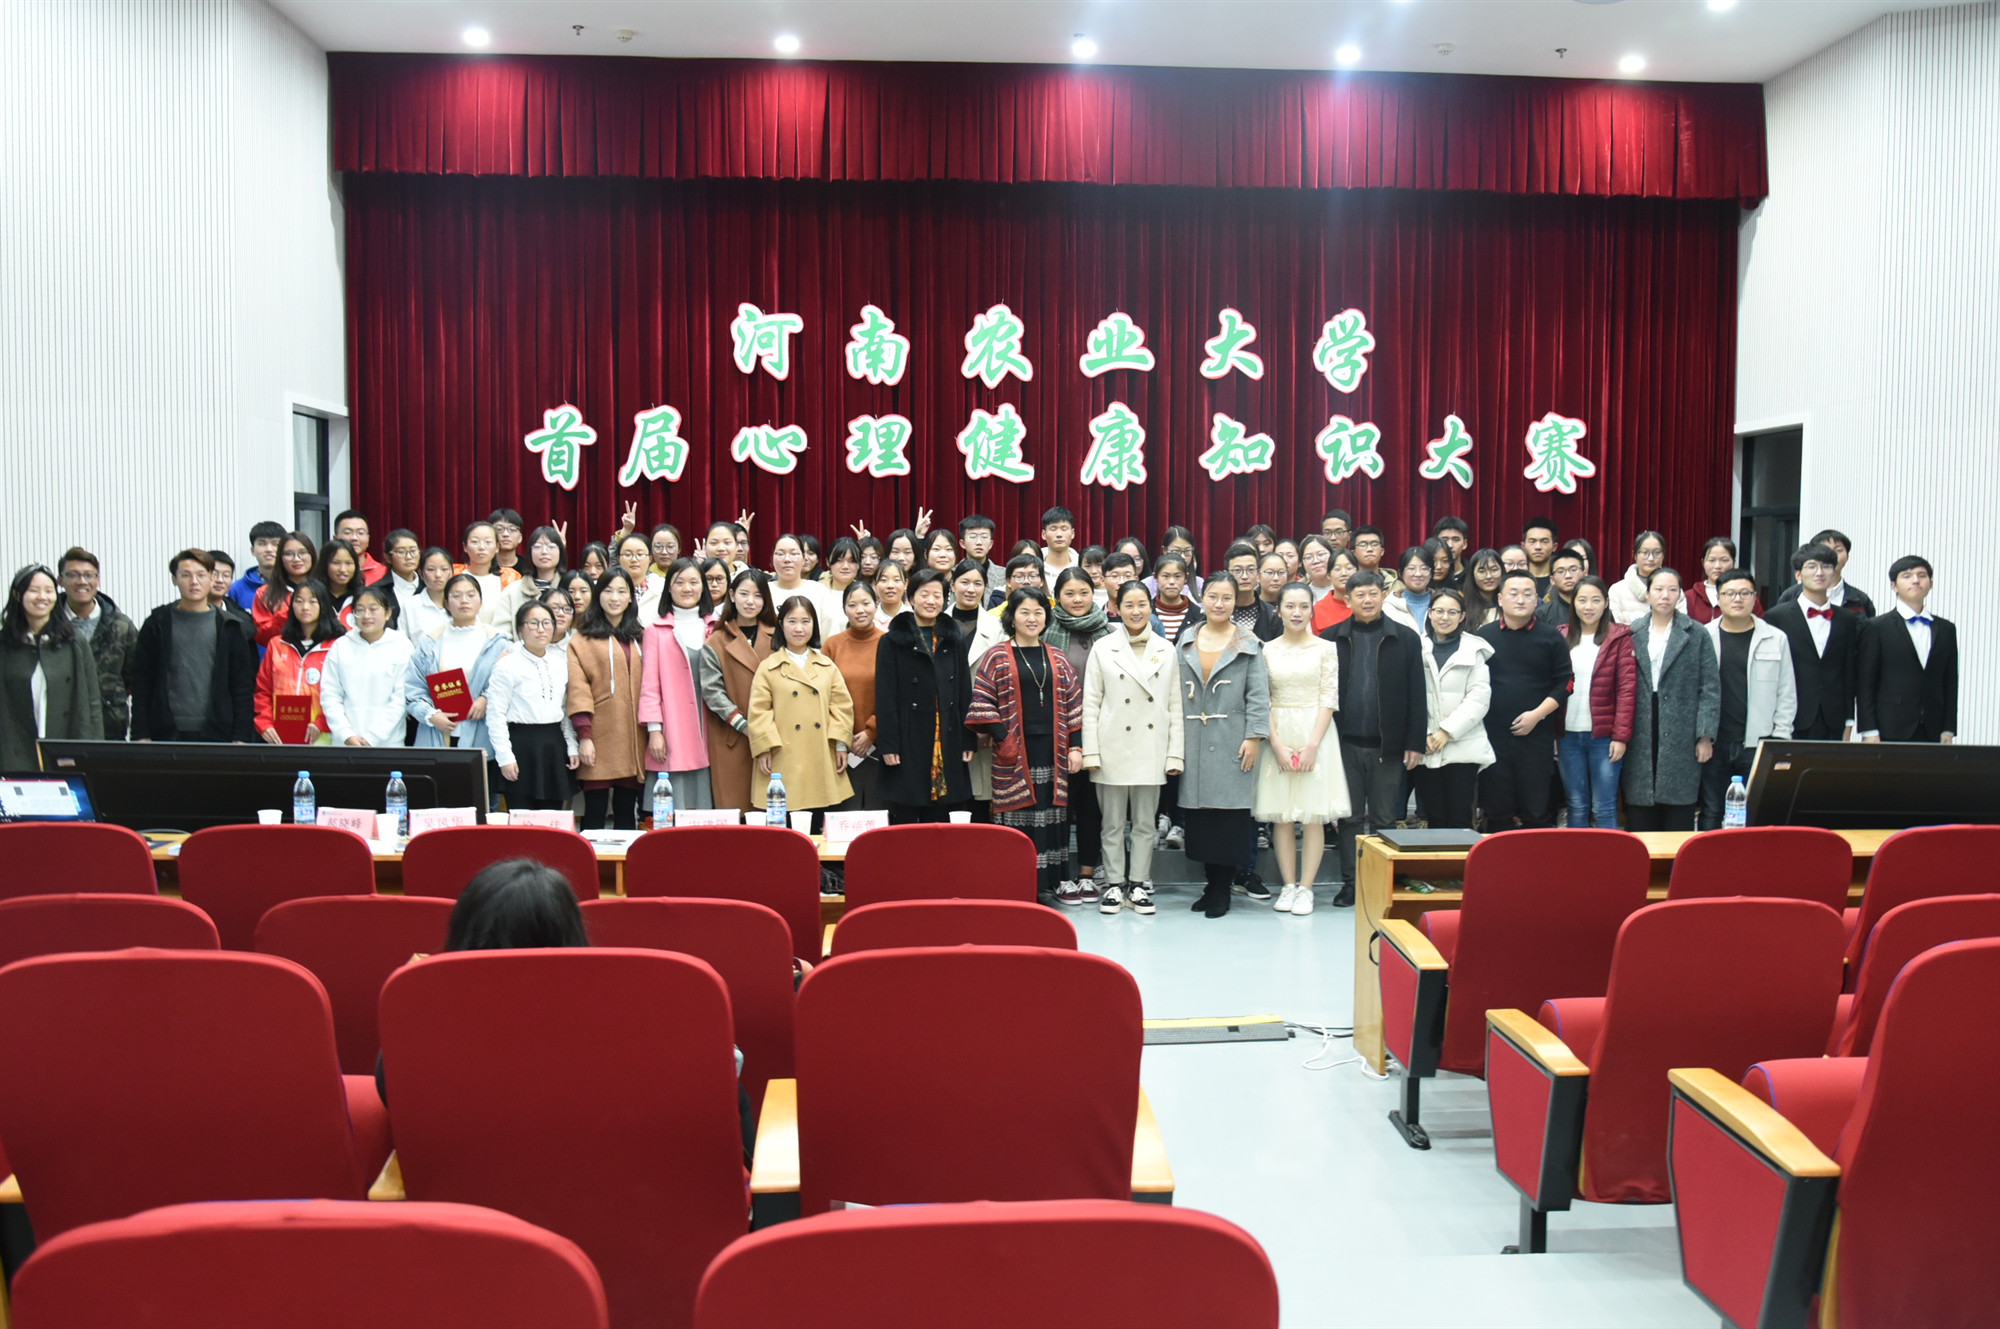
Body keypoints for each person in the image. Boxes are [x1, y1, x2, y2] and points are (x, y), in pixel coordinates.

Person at [1079, 581, 1182, 916]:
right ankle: (1113, 884)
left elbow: (1175, 705)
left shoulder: (1166, 650)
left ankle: (1138, 883)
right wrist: (1091, 751)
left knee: (1144, 824)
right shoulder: (1103, 647)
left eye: (1142, 604)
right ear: (1117, 608)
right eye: (1129, 605)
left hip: (1151, 746)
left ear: (1151, 607)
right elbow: (1091, 703)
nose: (1136, 611)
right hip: (1111, 746)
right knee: (1111, 823)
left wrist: (1174, 753)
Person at [1324, 570, 1426, 904]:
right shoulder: (1331, 638)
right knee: (1349, 818)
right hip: (1344, 744)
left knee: (1385, 818)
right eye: (1360, 595)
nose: (1367, 600)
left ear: (1383, 595)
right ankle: (1350, 883)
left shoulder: (1405, 638)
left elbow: (1417, 694)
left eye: (1373, 593)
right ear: (1348, 599)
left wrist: (1414, 742)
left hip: (1389, 747)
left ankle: (1383, 883)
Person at [1177, 575, 1271, 918]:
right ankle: (1209, 883)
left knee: (1229, 819)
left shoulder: (1249, 643)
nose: (1219, 604)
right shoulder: (1187, 639)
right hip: (1194, 739)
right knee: (1201, 819)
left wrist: (1254, 737)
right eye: (1213, 597)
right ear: (1202, 598)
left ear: (1235, 601)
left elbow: (1259, 695)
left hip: (1234, 739)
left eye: (1226, 598)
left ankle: (1222, 888)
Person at [1254, 584, 1349, 916]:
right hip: (1277, 732)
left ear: (1312, 610)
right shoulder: (1266, 650)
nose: (1297, 613)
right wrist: (1276, 744)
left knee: (1312, 816)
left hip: (1316, 733)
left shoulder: (1326, 649)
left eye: (1303, 606)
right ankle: (1288, 885)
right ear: (1278, 610)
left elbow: (1329, 698)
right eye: (1290, 606)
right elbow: (1262, 700)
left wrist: (1312, 746)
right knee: (1281, 816)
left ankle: (1306, 888)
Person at [746, 595, 856, 834]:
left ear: (814, 625)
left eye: (805, 621)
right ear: (781, 625)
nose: (799, 628)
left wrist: (840, 745)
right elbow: (759, 711)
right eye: (792, 621)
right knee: (783, 826)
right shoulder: (768, 667)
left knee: (818, 825)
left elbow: (842, 707)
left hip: (820, 753)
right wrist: (764, 747)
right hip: (781, 755)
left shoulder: (827, 666)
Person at [1474, 570, 1574, 832]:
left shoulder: (1551, 637)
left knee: (1537, 812)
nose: (1520, 600)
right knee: (1497, 813)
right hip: (1493, 738)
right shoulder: (1484, 636)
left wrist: (1537, 715)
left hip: (1536, 738)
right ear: (1500, 599)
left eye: (1527, 594)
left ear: (1537, 599)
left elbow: (1566, 683)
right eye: (1514, 593)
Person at [1621, 567, 1718, 831]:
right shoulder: (1632, 631)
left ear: (1680, 595)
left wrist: (1705, 736)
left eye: (1672, 590)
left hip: (1682, 728)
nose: (1665, 595)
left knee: (1679, 809)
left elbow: (1709, 688)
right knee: (1640, 808)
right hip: (1640, 725)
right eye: (1659, 589)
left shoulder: (1697, 633)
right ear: (1648, 594)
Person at [874, 567, 974, 823]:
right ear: (911, 598)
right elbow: (885, 697)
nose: (931, 601)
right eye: (924, 594)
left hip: (948, 735)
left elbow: (964, 692)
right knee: (906, 817)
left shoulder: (953, 639)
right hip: (909, 737)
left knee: (941, 820)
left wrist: (967, 739)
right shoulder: (892, 641)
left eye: (937, 595)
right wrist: (889, 744)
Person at [1699, 568, 1797, 828]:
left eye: (1744, 593)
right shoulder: (1703, 636)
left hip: (1759, 743)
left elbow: (1786, 692)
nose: (1737, 599)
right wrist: (1700, 736)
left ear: (1755, 597)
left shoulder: (1775, 638)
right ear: (1718, 598)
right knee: (1711, 811)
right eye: (1730, 593)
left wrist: (1779, 738)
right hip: (1714, 742)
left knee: (1756, 814)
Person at [129, 549, 258, 743]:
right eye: (186, 575)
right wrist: (140, 733)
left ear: (211, 578)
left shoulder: (230, 627)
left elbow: (241, 686)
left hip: (218, 733)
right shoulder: (157, 623)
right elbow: (142, 681)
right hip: (164, 731)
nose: (194, 582)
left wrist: (241, 736)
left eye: (201, 575)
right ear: (174, 579)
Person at [1046, 567, 1115, 899]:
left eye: (1083, 592)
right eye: (1069, 593)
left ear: (1094, 593)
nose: (1077, 599)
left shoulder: (1109, 634)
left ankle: (1087, 873)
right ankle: (1060, 874)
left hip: (1100, 732)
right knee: (1059, 806)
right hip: (1055, 733)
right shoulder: (1046, 631)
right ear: (1057, 596)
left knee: (1091, 807)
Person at [567, 569, 647, 829]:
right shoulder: (582, 639)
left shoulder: (640, 636)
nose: (615, 598)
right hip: (598, 735)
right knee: (595, 811)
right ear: (598, 595)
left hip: (634, 736)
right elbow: (578, 689)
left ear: (631, 597)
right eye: (608, 591)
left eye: (622, 591)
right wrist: (585, 736)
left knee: (626, 812)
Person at [405, 573, 510, 774]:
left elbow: (508, 684)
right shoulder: (430, 642)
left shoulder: (498, 642)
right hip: (438, 734)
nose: (464, 601)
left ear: (481, 601)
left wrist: (487, 698)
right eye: (456, 595)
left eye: (471, 595)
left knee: (481, 790)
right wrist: (431, 715)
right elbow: (413, 689)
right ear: (446, 602)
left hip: (483, 734)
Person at [0, 564, 102, 768]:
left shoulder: (73, 642)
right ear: (17, 595)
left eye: (49, 591)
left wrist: (92, 752)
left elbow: (91, 702)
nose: (42, 597)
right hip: (15, 754)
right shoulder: (5, 644)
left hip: (65, 751)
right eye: (34, 590)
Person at [636, 558, 716, 814]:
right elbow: (650, 685)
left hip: (712, 724)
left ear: (703, 586)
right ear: (668, 587)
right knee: (673, 806)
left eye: (694, 582)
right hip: (673, 726)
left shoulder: (716, 627)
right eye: (679, 582)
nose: (687, 588)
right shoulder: (655, 630)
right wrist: (654, 730)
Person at [486, 601, 580, 811]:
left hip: (554, 745)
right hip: (521, 745)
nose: (541, 629)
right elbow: (495, 715)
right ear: (520, 628)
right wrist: (505, 757)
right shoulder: (507, 665)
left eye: (546, 623)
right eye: (533, 623)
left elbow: (565, 710)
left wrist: (571, 746)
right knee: (521, 817)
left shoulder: (560, 664)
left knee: (552, 818)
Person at [1558, 577, 1635, 828]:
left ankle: (1607, 854)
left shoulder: (1619, 638)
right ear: (1573, 603)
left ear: (1606, 603)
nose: (1588, 606)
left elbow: (1626, 690)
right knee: (1576, 804)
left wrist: (1620, 737)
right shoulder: (1560, 636)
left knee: (1604, 806)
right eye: (1582, 600)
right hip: (1567, 736)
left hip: (1604, 737)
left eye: (1595, 600)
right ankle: (1579, 854)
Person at [698, 569, 778, 814]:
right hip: (732, 734)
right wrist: (743, 725)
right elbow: (712, 692)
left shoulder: (778, 636)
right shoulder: (716, 640)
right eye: (744, 594)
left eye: (757, 595)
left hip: (774, 733)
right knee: (735, 808)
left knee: (772, 809)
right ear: (732, 595)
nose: (750, 601)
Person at [1415, 589, 1494, 831]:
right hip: (1426, 744)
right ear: (1430, 613)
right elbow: (1409, 695)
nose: (1444, 617)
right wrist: (1424, 733)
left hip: (1463, 744)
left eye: (1452, 612)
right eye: (1439, 611)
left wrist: (1446, 732)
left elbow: (1479, 698)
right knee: (1434, 817)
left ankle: (1463, 858)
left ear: (1462, 616)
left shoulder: (1474, 650)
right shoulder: (1416, 647)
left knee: (1460, 817)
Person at [1765, 543, 1860, 741]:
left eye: (1826, 566)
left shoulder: (1847, 619)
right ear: (1798, 574)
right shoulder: (1776, 617)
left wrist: (1849, 720)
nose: (1819, 572)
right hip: (1790, 715)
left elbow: (1849, 670)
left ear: (1834, 573)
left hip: (1833, 717)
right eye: (1812, 566)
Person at [1858, 555, 1957, 743]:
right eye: (1907, 575)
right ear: (1893, 585)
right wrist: (1869, 729)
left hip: (1933, 727)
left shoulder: (1946, 629)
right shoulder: (1876, 627)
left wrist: (1949, 729)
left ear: (1931, 583)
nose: (1916, 580)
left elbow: (1950, 682)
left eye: (1922, 575)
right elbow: (1866, 683)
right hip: (1889, 726)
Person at [56, 547, 137, 740]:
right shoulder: (49, 625)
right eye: (73, 575)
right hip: (59, 726)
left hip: (109, 728)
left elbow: (134, 677)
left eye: (88, 575)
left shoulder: (121, 626)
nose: (82, 581)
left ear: (98, 580)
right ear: (60, 581)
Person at [319, 584, 414, 748]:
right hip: (346, 743)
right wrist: (346, 734)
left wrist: (372, 737)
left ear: (388, 613)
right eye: (360, 610)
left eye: (373, 609)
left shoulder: (402, 646)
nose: (366, 615)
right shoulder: (341, 646)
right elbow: (330, 695)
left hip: (389, 743)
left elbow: (400, 699)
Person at [949, 560, 1005, 821]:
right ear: (952, 585)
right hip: (945, 722)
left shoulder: (997, 627)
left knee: (980, 799)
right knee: (947, 796)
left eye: (977, 583)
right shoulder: (937, 622)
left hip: (982, 726)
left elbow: (1003, 682)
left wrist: (990, 725)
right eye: (964, 582)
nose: (971, 589)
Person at [254, 579, 342, 744]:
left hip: (325, 737)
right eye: (299, 601)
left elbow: (343, 692)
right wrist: (265, 723)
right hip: (280, 736)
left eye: (312, 602)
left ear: (324, 605)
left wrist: (322, 723)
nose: (305, 607)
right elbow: (263, 690)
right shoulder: (277, 644)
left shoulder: (337, 646)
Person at [824, 580, 886, 810]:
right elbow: (825, 697)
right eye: (852, 605)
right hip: (841, 748)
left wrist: (871, 731)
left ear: (876, 605)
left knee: (878, 818)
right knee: (843, 816)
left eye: (866, 603)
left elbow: (895, 696)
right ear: (844, 609)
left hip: (880, 745)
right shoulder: (832, 645)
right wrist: (842, 738)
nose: (860, 610)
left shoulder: (888, 643)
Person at [1776, 528, 1877, 619]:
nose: (1833, 555)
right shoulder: (1791, 595)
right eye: (1825, 550)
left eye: (1838, 550)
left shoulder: (1859, 599)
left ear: (1847, 556)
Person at [493, 526, 567, 637]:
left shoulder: (569, 587)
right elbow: (501, 634)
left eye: (551, 546)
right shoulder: (512, 591)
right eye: (538, 546)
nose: (544, 551)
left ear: (561, 551)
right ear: (530, 552)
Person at [252, 531, 317, 647]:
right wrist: (286, 614)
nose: (296, 559)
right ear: (280, 558)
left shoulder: (325, 588)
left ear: (312, 554)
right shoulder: (265, 593)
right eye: (289, 554)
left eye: (302, 553)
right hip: (283, 654)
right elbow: (261, 636)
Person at [770, 533, 840, 634]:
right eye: (780, 554)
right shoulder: (764, 591)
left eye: (794, 554)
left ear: (803, 559)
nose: (787, 559)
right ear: (772, 559)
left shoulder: (819, 591)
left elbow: (831, 633)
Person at [1607, 531, 1683, 624]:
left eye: (1656, 552)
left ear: (1663, 555)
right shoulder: (1617, 590)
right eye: (1645, 552)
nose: (1651, 558)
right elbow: (1615, 628)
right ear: (1635, 555)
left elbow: (1681, 625)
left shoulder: (1673, 589)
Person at [1685, 537, 1759, 624]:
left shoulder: (1747, 596)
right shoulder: (1689, 597)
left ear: (1733, 562)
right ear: (1703, 562)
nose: (1717, 566)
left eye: (1724, 560)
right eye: (1712, 560)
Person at [1216, 541, 1281, 640]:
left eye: (1250, 570)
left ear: (1258, 574)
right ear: (1226, 574)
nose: (1245, 576)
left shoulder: (1272, 615)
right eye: (1237, 570)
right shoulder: (1217, 610)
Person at [228, 521, 287, 612]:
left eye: (276, 544)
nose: (269, 549)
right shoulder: (237, 589)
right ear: (252, 550)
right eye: (262, 544)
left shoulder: (294, 583)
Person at [454, 520, 511, 608]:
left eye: (488, 542)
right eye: (475, 542)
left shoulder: (511, 577)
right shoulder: (453, 574)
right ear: (465, 547)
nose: (481, 547)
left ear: (497, 547)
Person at [374, 529, 425, 628]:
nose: (409, 557)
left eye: (413, 551)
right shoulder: (377, 591)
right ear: (388, 557)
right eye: (401, 552)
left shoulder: (428, 586)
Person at [402, 547, 455, 640]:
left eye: (444, 569)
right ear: (421, 573)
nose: (438, 575)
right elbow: (402, 642)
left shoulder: (461, 601)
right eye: (431, 569)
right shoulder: (410, 605)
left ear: (452, 572)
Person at [205, 551, 258, 643]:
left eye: (226, 575)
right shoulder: (184, 613)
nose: (220, 580)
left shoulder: (243, 620)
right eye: (214, 574)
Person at [612, 533, 657, 626]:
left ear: (650, 558)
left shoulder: (662, 587)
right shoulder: (607, 587)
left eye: (640, 554)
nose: (634, 559)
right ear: (619, 558)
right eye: (628, 554)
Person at [1150, 553, 1197, 643]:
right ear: (1155, 577)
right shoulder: (1146, 611)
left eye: (1177, 576)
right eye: (1165, 576)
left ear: (1186, 578)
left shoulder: (1198, 615)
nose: (1171, 582)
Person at [1536, 547, 1587, 629]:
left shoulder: (1595, 609)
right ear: (1552, 580)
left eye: (1573, 569)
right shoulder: (1542, 614)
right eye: (1560, 571)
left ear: (1584, 574)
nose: (1568, 576)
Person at [1146, 527, 1203, 599]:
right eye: (1176, 551)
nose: (1182, 556)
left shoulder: (1200, 584)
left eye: (1187, 551)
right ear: (1164, 550)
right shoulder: (1147, 584)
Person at [317, 539, 364, 628]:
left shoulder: (363, 596)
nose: (342, 569)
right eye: (336, 563)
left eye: (349, 563)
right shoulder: (315, 596)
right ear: (324, 564)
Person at [1311, 549, 1358, 634]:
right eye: (1337, 569)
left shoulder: (1364, 604)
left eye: (1349, 568)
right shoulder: (1318, 609)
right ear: (1329, 575)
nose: (1344, 573)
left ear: (1357, 571)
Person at [1386, 546, 1434, 629]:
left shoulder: (1442, 603)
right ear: (1400, 573)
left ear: (1431, 573)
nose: (1418, 574)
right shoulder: (1389, 607)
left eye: (1424, 568)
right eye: (1411, 569)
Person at [333, 511, 386, 584]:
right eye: (347, 532)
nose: (354, 538)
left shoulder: (384, 573)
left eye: (360, 533)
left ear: (368, 539)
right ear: (335, 538)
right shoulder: (329, 572)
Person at [1460, 548, 1504, 629]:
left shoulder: (1509, 603)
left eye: (1494, 570)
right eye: (1481, 571)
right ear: (1472, 574)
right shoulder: (1462, 605)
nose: (1489, 576)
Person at [1350, 527, 1398, 593]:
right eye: (1363, 545)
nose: (1369, 549)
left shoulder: (1397, 586)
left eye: (1374, 544)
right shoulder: (1346, 582)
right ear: (1353, 553)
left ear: (1382, 551)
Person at [1522, 518, 1559, 596]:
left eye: (1544, 541)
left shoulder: (1560, 580)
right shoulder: (1516, 579)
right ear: (1523, 546)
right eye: (1532, 541)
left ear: (1554, 546)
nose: (1538, 547)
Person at [1040, 506, 1080, 579]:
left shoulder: (1081, 566)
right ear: (1043, 534)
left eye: (1064, 529)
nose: (1059, 534)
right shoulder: (1035, 568)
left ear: (1072, 533)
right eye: (1053, 529)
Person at [871, 557, 910, 628]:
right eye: (884, 580)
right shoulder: (869, 619)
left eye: (896, 580)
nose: (890, 586)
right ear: (874, 584)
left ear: (906, 584)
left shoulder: (914, 617)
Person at [488, 509, 528, 578]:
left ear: (520, 537)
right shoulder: (484, 566)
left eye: (512, 529)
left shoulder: (529, 568)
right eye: (499, 529)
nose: (505, 534)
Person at [1431, 516, 1470, 586]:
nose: (1450, 545)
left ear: (1464, 544)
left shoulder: (1472, 574)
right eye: (1444, 540)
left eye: (1456, 539)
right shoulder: (1428, 574)